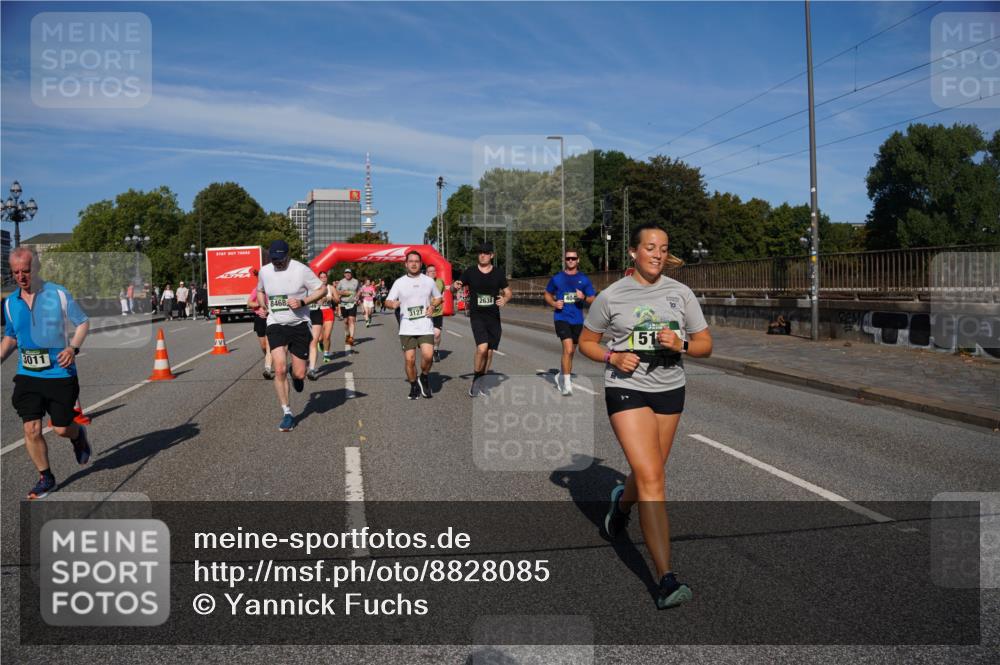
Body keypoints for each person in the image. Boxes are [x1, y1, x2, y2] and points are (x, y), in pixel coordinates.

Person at [578, 222, 713, 610]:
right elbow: (588, 341)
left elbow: (705, 345)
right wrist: (612, 356)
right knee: (654, 478)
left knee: (646, 471)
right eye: (650, 247)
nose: (657, 253)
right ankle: (666, 579)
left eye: (663, 248)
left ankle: (620, 507)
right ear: (634, 253)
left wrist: (683, 343)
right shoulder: (612, 296)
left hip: (670, 389)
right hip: (626, 387)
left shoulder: (681, 293)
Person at [1, 247, 92, 499]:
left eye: (26, 271)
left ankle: (78, 435)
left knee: (62, 428)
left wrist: (73, 348)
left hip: (60, 373)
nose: (21, 277)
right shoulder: (10, 303)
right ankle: (46, 477)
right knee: (31, 429)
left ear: (37, 268)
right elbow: (10, 336)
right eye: (16, 272)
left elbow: (83, 322)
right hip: (28, 374)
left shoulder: (58, 294)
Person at [256, 240, 326, 432]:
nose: (277, 263)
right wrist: (262, 305)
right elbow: (260, 290)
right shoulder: (265, 271)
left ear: (288, 255)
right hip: (275, 324)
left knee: (299, 373)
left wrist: (303, 301)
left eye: (281, 259)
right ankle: (287, 413)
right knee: (278, 370)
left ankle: (297, 376)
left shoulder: (301, 270)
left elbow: (322, 289)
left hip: (299, 325)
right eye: (274, 259)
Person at [450, 242, 512, 397]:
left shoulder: (498, 273)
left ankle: (482, 382)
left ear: (492, 255)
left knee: (489, 352)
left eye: (486, 253)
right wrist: (454, 286)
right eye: (480, 252)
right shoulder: (470, 272)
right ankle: (476, 381)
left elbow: (508, 291)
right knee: (482, 348)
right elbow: (453, 287)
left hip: (493, 317)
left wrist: (505, 300)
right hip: (477, 316)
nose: (482, 255)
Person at [385, 251, 442, 399]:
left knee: (428, 356)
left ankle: (424, 376)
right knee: (410, 360)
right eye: (411, 261)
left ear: (421, 264)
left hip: (425, 325)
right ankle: (413, 385)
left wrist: (432, 306)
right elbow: (387, 301)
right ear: (406, 264)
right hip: (407, 327)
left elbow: (438, 297)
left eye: (417, 261)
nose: (414, 263)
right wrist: (392, 304)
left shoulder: (429, 281)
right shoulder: (399, 282)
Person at [544, 249, 597, 396]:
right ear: (565, 260)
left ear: (578, 260)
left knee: (572, 351)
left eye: (573, 258)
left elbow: (593, 299)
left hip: (578, 320)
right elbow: (547, 294)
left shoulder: (584, 279)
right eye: (568, 258)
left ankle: (562, 374)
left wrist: (583, 297)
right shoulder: (557, 278)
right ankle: (567, 384)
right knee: (567, 349)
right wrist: (554, 304)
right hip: (561, 318)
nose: (571, 261)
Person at [247, 268, 274, 379]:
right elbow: (249, 303)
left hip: (271, 319)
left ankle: (267, 368)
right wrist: (259, 303)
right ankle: (268, 357)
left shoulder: (272, 290)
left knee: (269, 346)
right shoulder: (256, 291)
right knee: (263, 346)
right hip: (259, 319)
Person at [306, 271, 333, 380]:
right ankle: (303, 363)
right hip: (304, 315)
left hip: (316, 313)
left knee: (314, 341)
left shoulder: (320, 287)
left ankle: (312, 369)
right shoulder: (300, 286)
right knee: (305, 342)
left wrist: (322, 298)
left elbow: (323, 298)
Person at [425, 264, 447, 362]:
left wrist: (442, 299)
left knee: (437, 334)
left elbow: (443, 293)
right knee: (427, 335)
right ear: (426, 273)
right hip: (425, 313)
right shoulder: (422, 282)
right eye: (430, 271)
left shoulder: (440, 282)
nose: (433, 272)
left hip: (437, 312)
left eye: (434, 271)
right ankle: (427, 350)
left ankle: (436, 350)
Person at [336, 268, 360, 355]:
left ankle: (351, 337)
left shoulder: (356, 281)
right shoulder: (341, 282)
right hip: (343, 303)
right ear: (344, 274)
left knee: (351, 320)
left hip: (352, 303)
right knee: (346, 321)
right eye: (346, 273)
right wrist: (343, 293)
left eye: (349, 273)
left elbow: (359, 290)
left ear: (351, 274)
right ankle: (347, 334)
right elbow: (336, 291)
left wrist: (357, 296)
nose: (348, 274)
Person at [318, 272, 339, 364]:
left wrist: (332, 298)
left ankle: (326, 354)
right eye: (321, 277)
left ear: (327, 278)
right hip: (318, 313)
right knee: (320, 338)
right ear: (319, 279)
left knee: (327, 335)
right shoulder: (315, 288)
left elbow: (338, 300)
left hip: (328, 312)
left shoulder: (331, 288)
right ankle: (320, 342)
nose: (323, 279)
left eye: (325, 277)